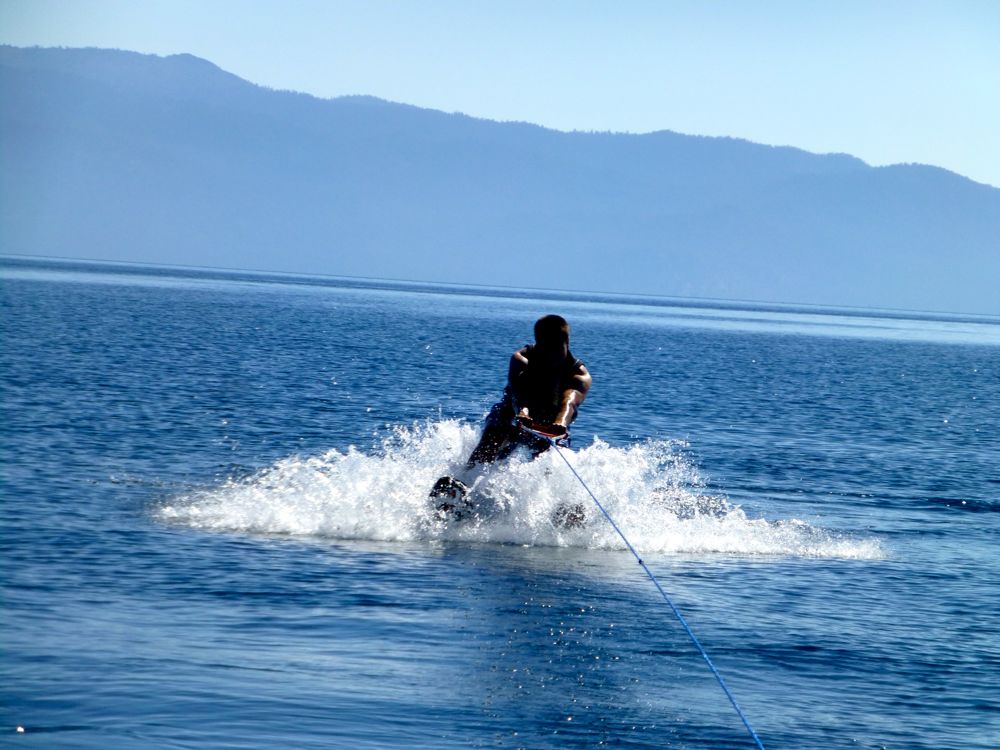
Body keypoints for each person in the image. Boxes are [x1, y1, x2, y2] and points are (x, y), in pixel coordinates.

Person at [431, 314, 591, 507]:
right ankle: (461, 486)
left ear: (566, 341)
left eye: (555, 348)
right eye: (544, 348)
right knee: (493, 440)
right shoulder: (521, 359)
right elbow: (520, 391)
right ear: (537, 342)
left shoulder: (579, 375)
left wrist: (560, 424)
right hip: (511, 416)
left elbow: (570, 402)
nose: (549, 355)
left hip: (550, 428)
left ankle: (559, 508)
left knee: (553, 463)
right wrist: (523, 412)